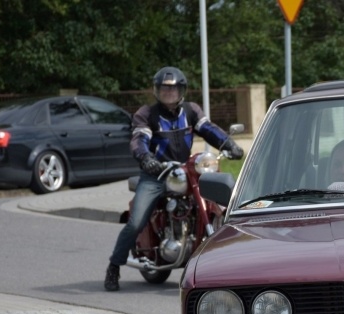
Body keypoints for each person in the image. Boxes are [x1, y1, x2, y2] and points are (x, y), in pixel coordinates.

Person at [104, 66, 243, 291]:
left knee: (218, 200)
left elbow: (208, 129)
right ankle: (114, 267)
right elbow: (139, 139)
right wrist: (145, 158)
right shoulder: (147, 114)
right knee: (136, 221)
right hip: (156, 174)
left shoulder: (190, 111)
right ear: (157, 91)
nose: (169, 93)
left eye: (174, 89)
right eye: (164, 89)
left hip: (186, 171)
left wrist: (230, 145)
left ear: (182, 91)